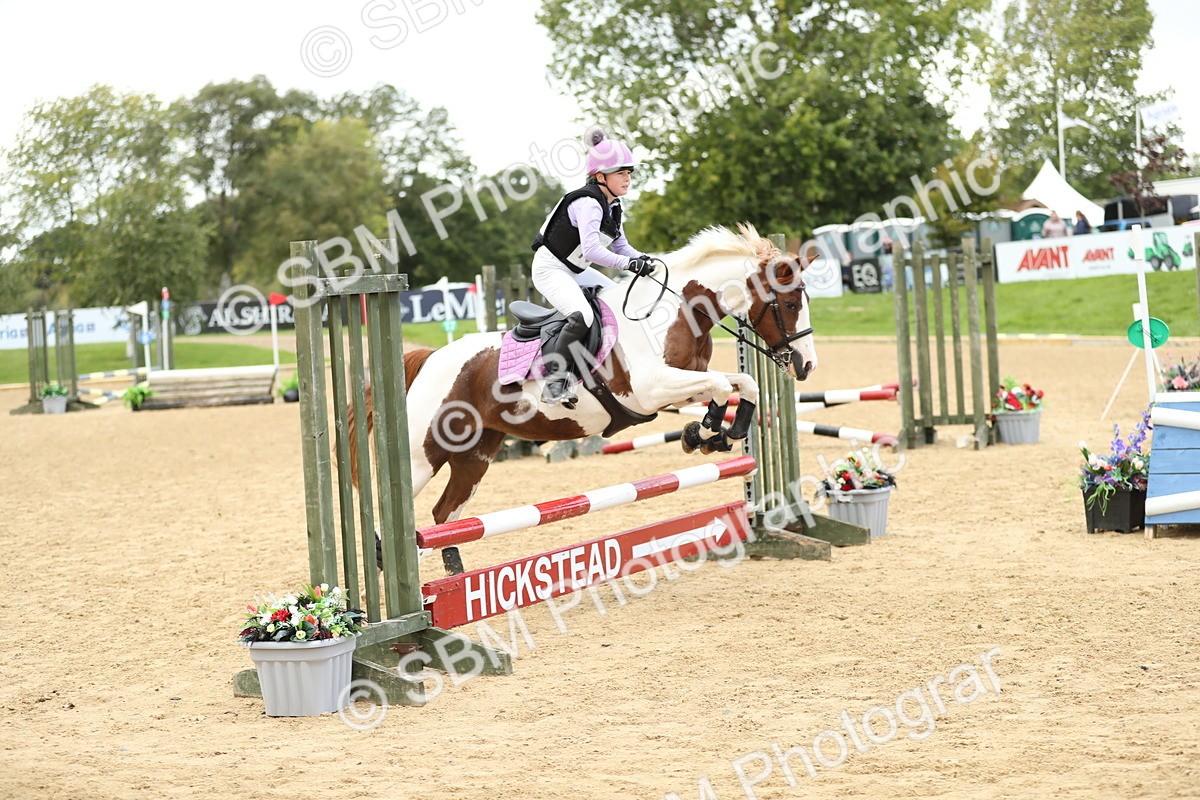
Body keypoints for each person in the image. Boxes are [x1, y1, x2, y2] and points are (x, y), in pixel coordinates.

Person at [529, 126, 654, 404]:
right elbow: (593, 250)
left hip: (577, 271)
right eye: (621, 173)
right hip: (550, 269)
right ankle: (555, 381)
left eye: (629, 173)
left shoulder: (613, 206)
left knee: (618, 301)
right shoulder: (589, 203)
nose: (627, 178)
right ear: (600, 176)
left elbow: (622, 247)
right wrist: (629, 264)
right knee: (582, 316)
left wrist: (645, 259)